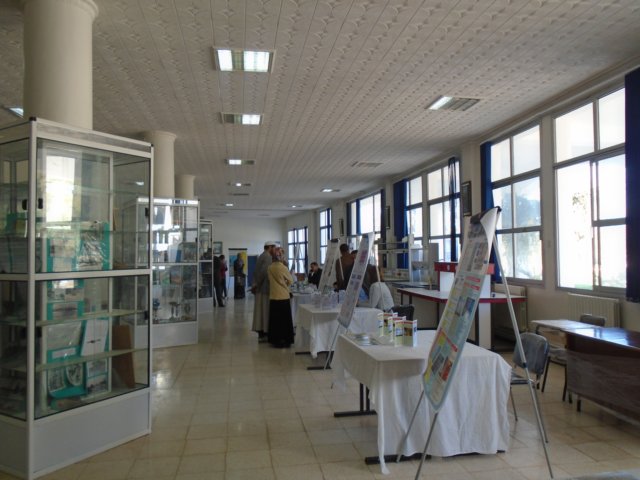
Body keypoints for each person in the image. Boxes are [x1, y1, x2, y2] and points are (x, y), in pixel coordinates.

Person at [267, 248, 294, 348]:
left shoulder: (270, 267)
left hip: (273, 295)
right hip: (283, 296)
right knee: (285, 320)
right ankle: (286, 340)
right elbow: (291, 281)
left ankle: (275, 340)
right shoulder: (283, 268)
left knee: (275, 320)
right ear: (280, 257)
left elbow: (269, 280)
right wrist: (284, 283)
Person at [251, 241, 276, 341]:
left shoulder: (262, 255)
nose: (275, 250)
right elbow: (264, 272)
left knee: (260, 312)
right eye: (274, 248)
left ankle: (261, 333)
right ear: (269, 247)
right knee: (264, 312)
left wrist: (255, 284)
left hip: (260, 288)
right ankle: (264, 333)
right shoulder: (268, 257)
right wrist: (257, 284)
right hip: (264, 288)